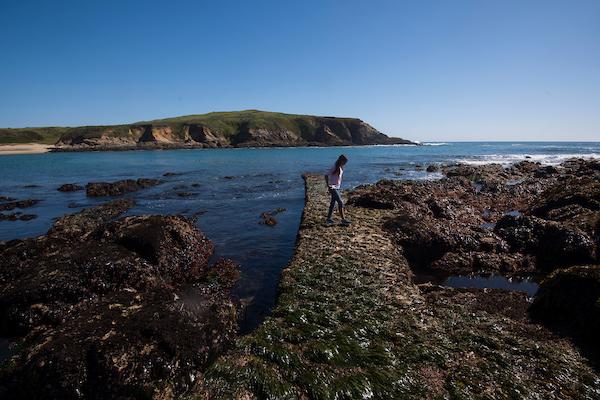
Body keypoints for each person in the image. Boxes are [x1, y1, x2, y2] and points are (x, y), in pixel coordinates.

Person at [324, 154, 350, 226]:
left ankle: (328, 219)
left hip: (337, 188)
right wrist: (328, 186)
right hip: (333, 188)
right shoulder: (335, 167)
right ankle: (343, 220)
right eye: (345, 162)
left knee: (332, 204)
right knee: (340, 203)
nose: (345, 163)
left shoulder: (340, 167)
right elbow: (326, 175)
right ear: (341, 160)